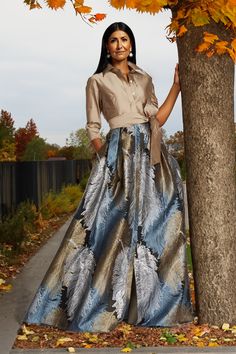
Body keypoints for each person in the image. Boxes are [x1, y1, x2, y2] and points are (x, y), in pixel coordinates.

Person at [23, 22, 194, 332]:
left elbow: (159, 119)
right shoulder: (97, 80)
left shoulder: (145, 78)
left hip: (151, 155)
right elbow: (93, 126)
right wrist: (107, 156)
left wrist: (177, 86)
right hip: (118, 155)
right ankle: (82, 303)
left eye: (124, 39)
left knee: (153, 230)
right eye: (113, 40)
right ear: (106, 46)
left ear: (131, 44)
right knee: (101, 226)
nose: (119, 44)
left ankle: (150, 306)